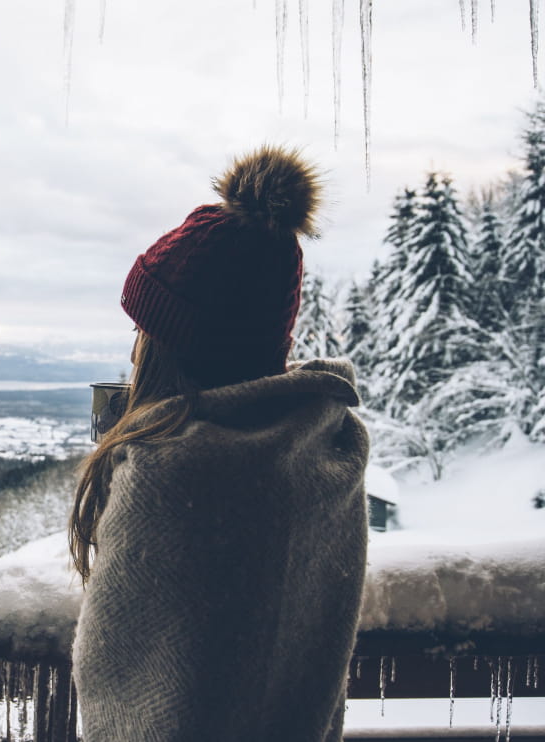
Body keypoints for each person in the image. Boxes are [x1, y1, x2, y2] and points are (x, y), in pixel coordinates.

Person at [69, 146, 369, 741]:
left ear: (175, 344)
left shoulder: (170, 473)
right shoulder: (324, 447)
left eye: (145, 327)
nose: (135, 344)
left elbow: (119, 691)